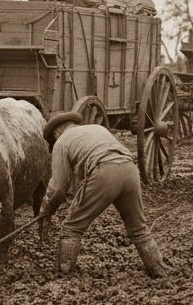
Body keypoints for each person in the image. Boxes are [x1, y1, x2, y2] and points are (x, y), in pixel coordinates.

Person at [39, 111, 164, 279]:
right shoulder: (97, 128)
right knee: (139, 228)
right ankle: (157, 269)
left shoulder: (61, 142)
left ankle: (64, 275)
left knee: (71, 228)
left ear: (56, 133)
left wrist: (46, 210)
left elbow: (58, 187)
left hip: (104, 172)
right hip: (129, 169)